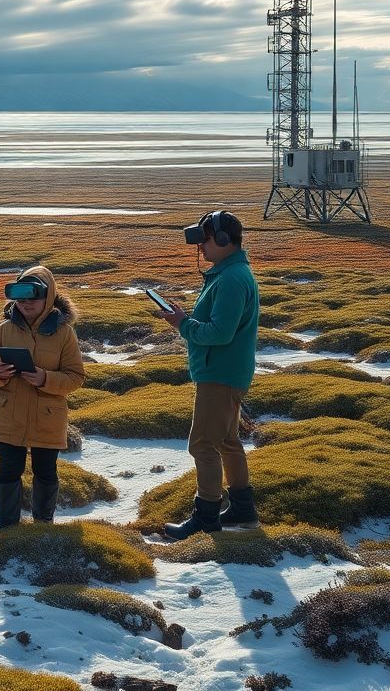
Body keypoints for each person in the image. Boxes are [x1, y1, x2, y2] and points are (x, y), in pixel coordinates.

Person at [155, 210, 260, 540]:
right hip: (227, 371)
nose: (200, 248)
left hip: (220, 374)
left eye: (205, 240)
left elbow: (220, 332)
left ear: (224, 241)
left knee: (202, 444)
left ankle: (206, 517)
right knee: (228, 442)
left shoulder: (230, 279)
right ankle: (243, 508)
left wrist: (183, 324)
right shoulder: (231, 274)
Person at [0, 266, 85, 528]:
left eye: (33, 297)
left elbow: (75, 377)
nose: (26, 303)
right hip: (9, 416)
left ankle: (42, 525)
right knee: (7, 472)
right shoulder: (5, 329)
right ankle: (6, 527)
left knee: (46, 472)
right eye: (21, 297)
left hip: (47, 416)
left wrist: (45, 379)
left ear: (48, 297)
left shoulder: (64, 333)